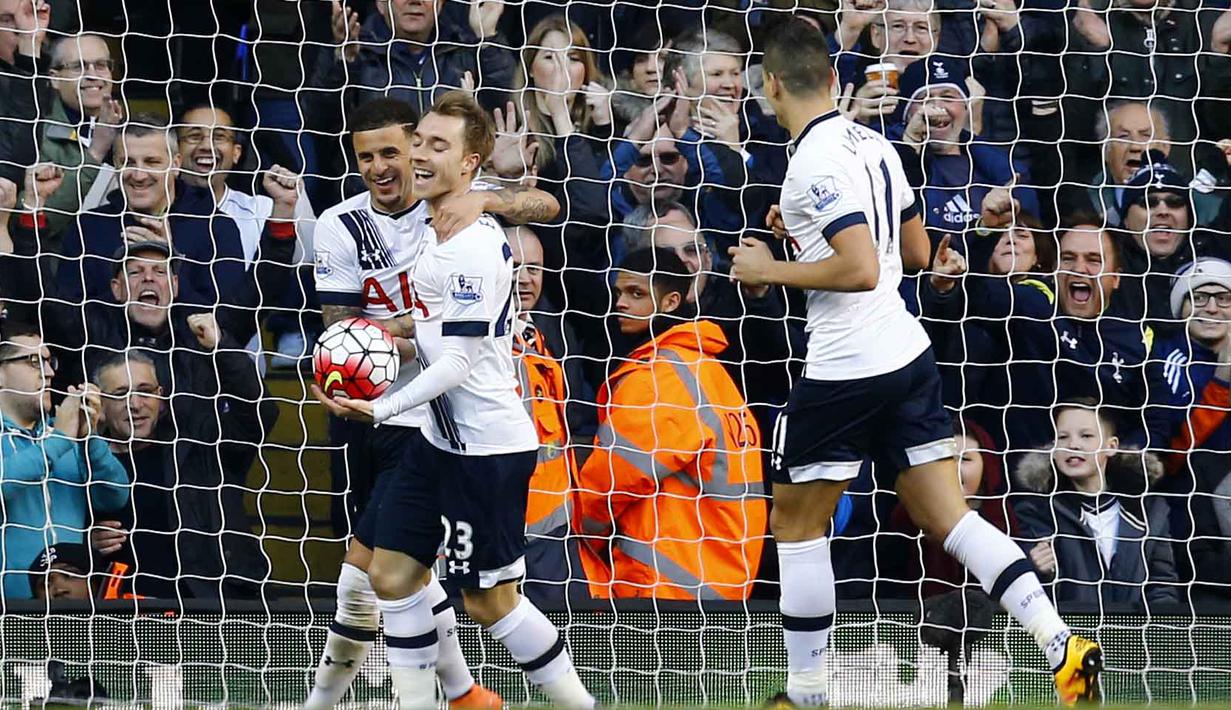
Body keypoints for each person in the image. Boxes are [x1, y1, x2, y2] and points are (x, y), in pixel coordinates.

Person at [725, 20, 1101, 706]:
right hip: (905, 354)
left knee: (797, 526)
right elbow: (918, 252)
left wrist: (769, 266)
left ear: (771, 85)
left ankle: (804, 691)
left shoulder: (809, 161)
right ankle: (1060, 642)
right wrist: (805, 234)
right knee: (951, 520)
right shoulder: (875, 144)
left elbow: (864, 268)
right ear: (835, 81)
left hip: (846, 366)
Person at [315, 92, 596, 709]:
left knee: (488, 600)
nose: (408, 159)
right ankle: (444, 699)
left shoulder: (470, 235)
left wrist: (381, 404)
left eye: (425, 146)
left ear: (470, 164)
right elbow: (422, 328)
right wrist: (369, 350)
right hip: (433, 439)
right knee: (388, 576)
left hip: (479, 444)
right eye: (414, 145)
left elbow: (460, 359)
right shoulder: (407, 228)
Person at [573, 246, 767, 600]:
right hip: (722, 574)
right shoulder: (707, 370)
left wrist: (578, 532)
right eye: (619, 293)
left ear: (671, 301)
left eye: (636, 294)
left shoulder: (659, 379)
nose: (622, 303)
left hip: (665, 583)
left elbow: (613, 480)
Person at [89, 341, 276, 600]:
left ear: (162, 398)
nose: (134, 404)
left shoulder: (200, 446)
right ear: (101, 405)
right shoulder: (83, 461)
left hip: (210, 604)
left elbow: (259, 415)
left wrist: (221, 346)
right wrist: (88, 542)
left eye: (145, 391)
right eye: (120, 394)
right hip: (123, 614)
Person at [0, 322, 129, 599]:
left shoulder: (66, 435)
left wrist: (89, 438)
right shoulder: (60, 437)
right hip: (9, 611)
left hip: (75, 609)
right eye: (33, 362)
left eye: (49, 361)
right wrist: (60, 440)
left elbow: (116, 496)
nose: (49, 372)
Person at [1014, 401, 1180, 609]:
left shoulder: (1151, 511)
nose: (1073, 445)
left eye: (1086, 436)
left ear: (1111, 447)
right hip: (1068, 634)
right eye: (1063, 437)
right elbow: (1029, 596)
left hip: (1134, 636)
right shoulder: (1036, 511)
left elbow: (1162, 586)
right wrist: (1039, 570)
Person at [507, 226, 588, 606]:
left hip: (552, 522)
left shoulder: (546, 337)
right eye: (513, 267)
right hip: (500, 521)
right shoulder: (476, 344)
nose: (525, 279)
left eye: (534, 269)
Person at [1149, 258, 1231, 600]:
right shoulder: (1168, 359)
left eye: (1223, 298)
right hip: (1192, 534)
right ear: (1181, 309)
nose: (1211, 308)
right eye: (1199, 297)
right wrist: (1222, 383)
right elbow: (1171, 454)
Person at [885, 418, 1017, 600]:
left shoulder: (1003, 518)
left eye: (966, 459)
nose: (953, 468)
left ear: (987, 466)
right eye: (946, 460)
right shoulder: (905, 518)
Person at [34, 33, 123, 244]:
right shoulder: (34, 134)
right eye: (78, 67)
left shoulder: (132, 133)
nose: (92, 75)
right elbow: (38, 222)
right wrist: (96, 152)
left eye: (101, 65)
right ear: (54, 78)